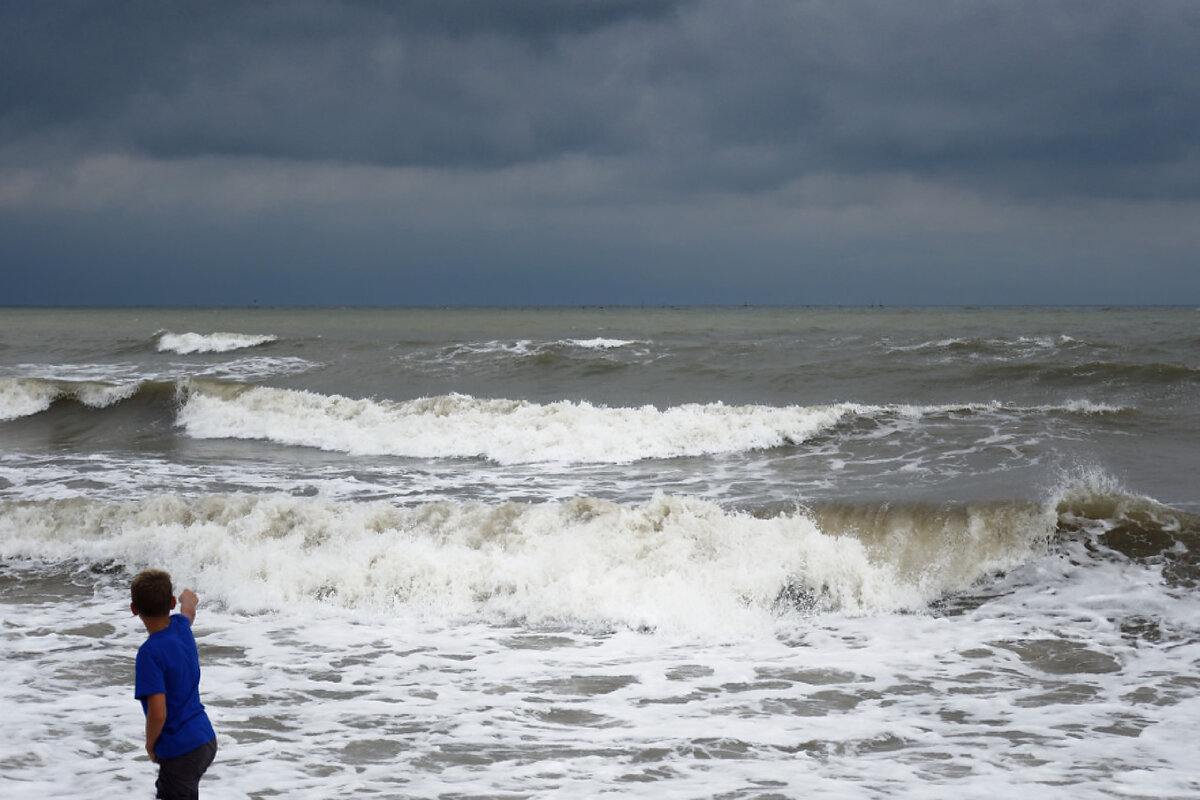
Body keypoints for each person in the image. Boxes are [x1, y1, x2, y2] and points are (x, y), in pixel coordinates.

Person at [130, 569, 218, 799]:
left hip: (181, 748)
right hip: (204, 738)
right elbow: (188, 610)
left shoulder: (150, 653)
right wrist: (188, 598)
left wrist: (150, 745)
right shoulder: (180, 626)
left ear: (134, 609)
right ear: (171, 602)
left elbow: (158, 712)